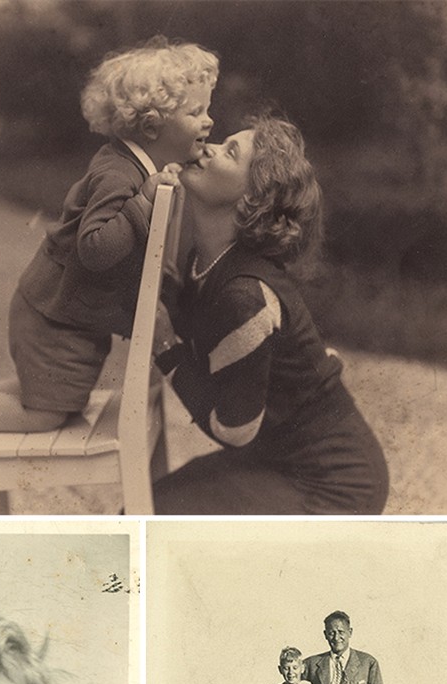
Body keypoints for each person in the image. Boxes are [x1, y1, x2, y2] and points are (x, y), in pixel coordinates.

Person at [0, 37, 218, 477]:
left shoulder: (140, 168)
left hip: (66, 314)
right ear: (151, 126)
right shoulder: (119, 174)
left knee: (59, 396)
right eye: (196, 112)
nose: (209, 120)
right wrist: (142, 205)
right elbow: (94, 249)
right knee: (47, 413)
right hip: (52, 316)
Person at [153, 109, 389, 514]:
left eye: (229, 152)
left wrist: (165, 348)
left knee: (155, 526)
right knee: (143, 512)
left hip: (335, 485)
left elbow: (235, 428)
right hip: (276, 462)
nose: (206, 149)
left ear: (252, 198)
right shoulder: (204, 261)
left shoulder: (246, 295)